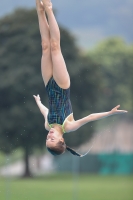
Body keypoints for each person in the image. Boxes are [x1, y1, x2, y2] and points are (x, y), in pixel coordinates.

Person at [33, 0, 127, 157]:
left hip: (48, 84)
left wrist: (38, 102)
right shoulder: (69, 126)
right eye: (52, 139)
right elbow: (89, 118)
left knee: (45, 46)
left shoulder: (46, 124)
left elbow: (46, 111)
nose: (49, 136)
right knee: (55, 47)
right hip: (62, 86)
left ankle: (39, 10)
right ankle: (49, 9)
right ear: (61, 140)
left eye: (47, 139)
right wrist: (109, 113)